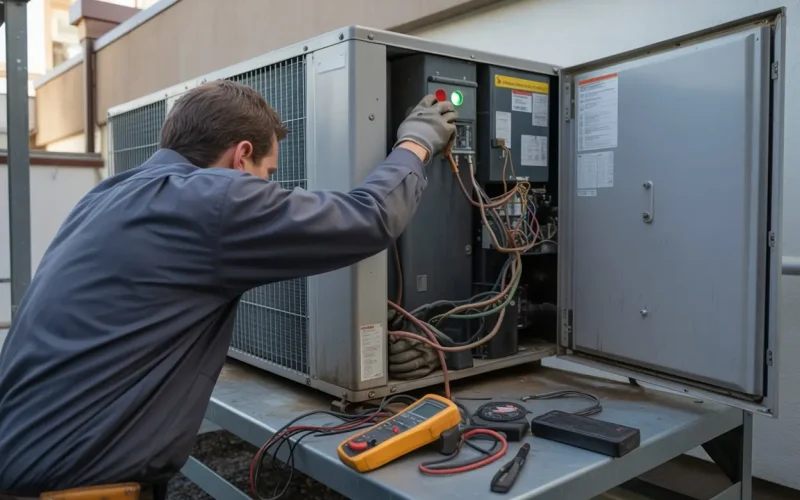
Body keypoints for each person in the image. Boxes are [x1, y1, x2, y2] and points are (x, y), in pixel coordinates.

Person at [0, 80, 456, 499]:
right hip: (73, 485)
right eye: (269, 171)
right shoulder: (214, 200)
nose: (271, 186)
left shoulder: (107, 195)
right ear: (241, 157)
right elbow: (368, 219)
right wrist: (416, 142)